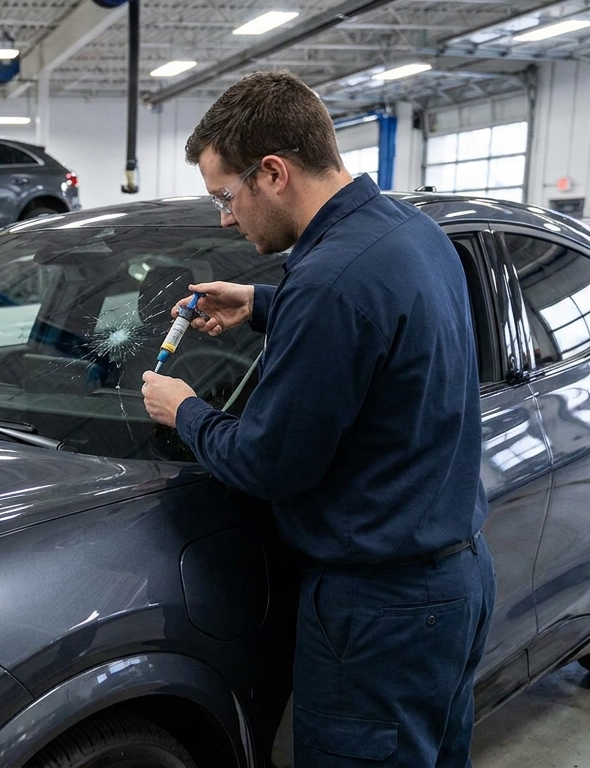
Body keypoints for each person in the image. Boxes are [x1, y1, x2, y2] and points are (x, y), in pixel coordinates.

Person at [140, 71, 495, 767]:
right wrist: (268, 303)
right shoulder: (409, 233)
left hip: (378, 610)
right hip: (453, 588)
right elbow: (387, 327)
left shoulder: (330, 280)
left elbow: (271, 463)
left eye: (226, 195)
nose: (225, 218)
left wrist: (185, 411)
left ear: (272, 172)